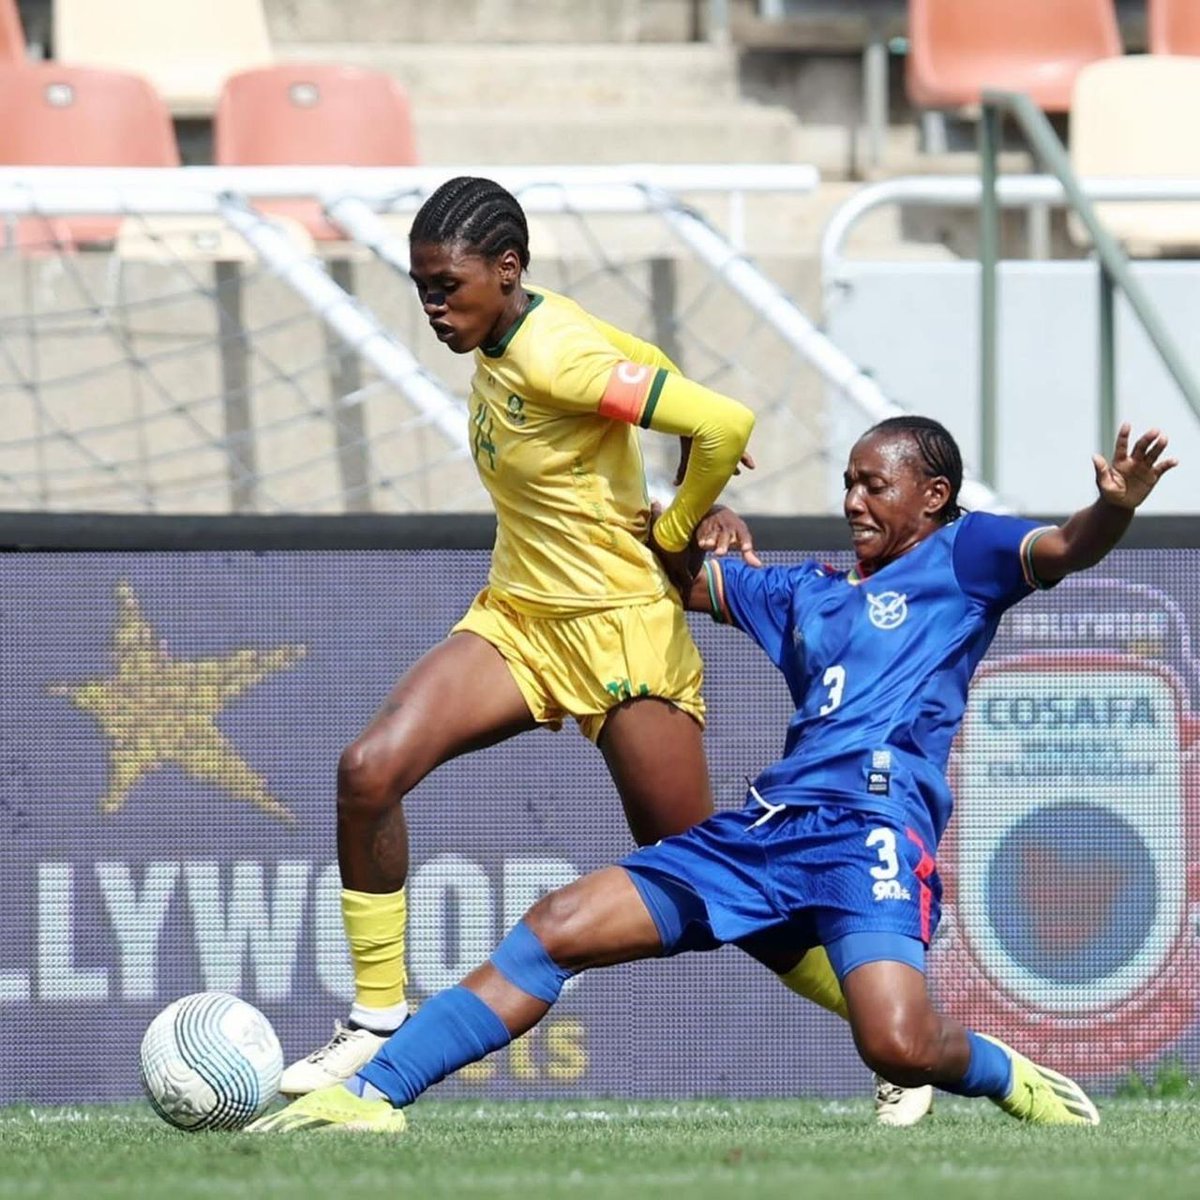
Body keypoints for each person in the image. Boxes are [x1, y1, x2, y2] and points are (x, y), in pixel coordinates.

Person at [254, 415, 1177, 1134]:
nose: (854, 500)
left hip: (872, 834)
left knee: (898, 1041)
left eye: (875, 484)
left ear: (933, 495)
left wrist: (1116, 508)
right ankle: (371, 1096)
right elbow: (677, 573)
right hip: (766, 832)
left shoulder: (965, 554)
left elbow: (1064, 550)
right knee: (557, 927)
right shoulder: (804, 592)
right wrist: (701, 513)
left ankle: (1006, 1076)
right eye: (848, 482)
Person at [280, 175, 929, 1124]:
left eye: (446, 285)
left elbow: (724, 422)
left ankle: (897, 1041)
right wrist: (673, 481)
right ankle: (378, 1017)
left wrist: (685, 520)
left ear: (508, 272)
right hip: (521, 621)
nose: (430, 306)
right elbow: (650, 365)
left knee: (707, 874)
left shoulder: (553, 354)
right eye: (419, 285)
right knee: (367, 770)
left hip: (623, 633)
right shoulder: (517, 326)